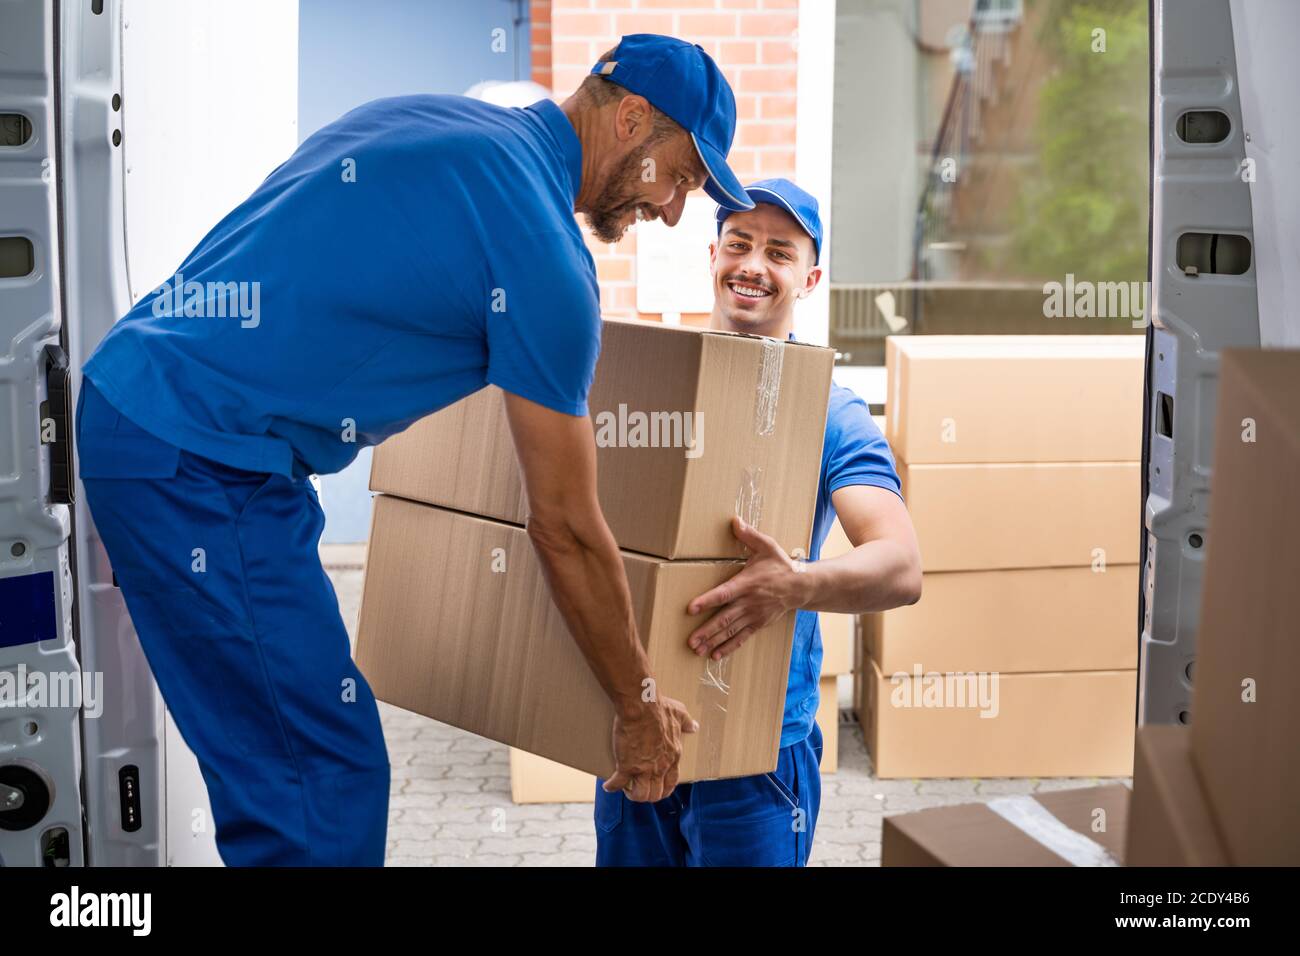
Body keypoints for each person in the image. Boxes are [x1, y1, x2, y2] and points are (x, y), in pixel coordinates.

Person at [75, 34, 754, 866]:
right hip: (197, 460)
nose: (675, 209)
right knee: (318, 780)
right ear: (633, 119)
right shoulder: (544, 256)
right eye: (679, 175)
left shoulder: (437, 125)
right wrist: (637, 706)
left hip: (156, 413)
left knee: (296, 759)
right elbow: (567, 528)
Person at [593, 178, 923, 867]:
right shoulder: (648, 383)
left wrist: (795, 584)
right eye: (739, 244)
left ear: (810, 278)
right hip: (641, 718)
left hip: (759, 742)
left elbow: (900, 564)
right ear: (713, 254)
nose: (753, 265)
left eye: (779, 252)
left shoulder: (830, 412)